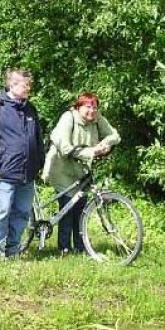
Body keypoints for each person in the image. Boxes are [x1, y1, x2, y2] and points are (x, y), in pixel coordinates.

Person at [0, 68, 44, 258]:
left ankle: (13, 250)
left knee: (21, 213)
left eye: (29, 84)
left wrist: (39, 163)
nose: (28, 88)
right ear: (12, 85)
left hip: (27, 173)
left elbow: (37, 139)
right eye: (25, 84)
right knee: (2, 211)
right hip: (3, 173)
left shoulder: (30, 109)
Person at [42, 92, 120, 253]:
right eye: (87, 107)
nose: (91, 111)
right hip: (61, 167)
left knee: (81, 207)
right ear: (78, 107)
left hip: (82, 170)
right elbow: (65, 148)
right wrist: (92, 152)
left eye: (94, 107)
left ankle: (80, 247)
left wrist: (104, 145)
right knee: (68, 206)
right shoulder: (68, 118)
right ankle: (64, 248)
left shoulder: (97, 118)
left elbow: (115, 136)